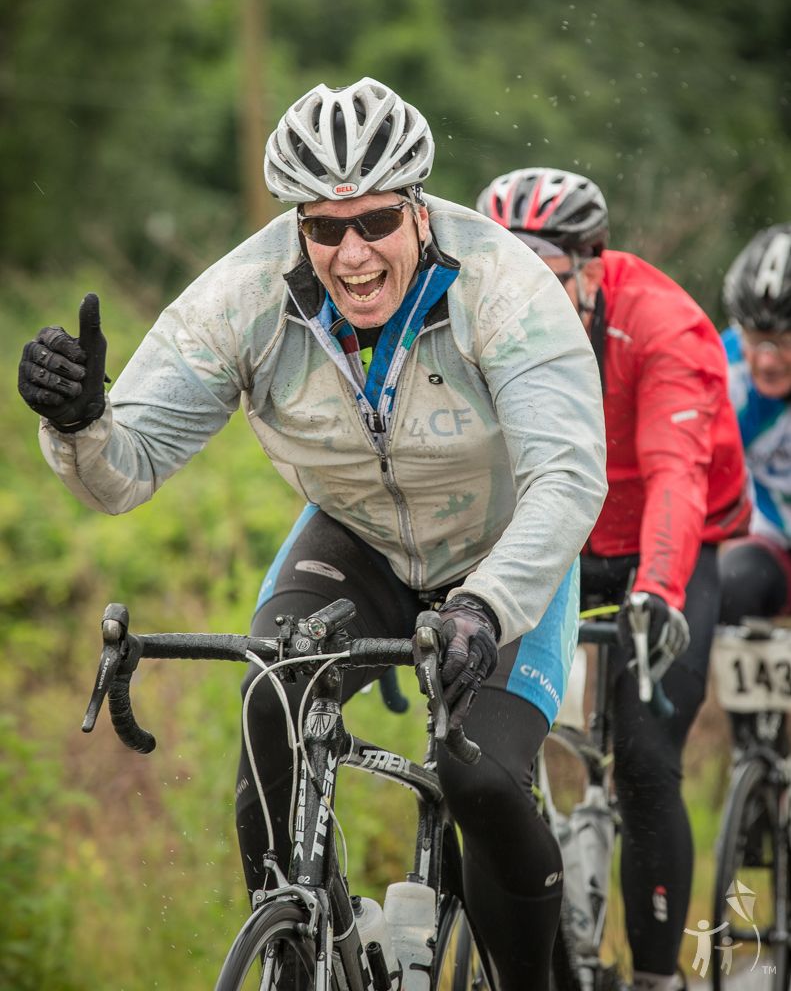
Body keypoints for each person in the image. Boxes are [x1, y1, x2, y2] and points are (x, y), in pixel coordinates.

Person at [18, 79, 607, 990]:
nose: (352, 251)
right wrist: (78, 422)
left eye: (374, 221)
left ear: (418, 209)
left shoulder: (503, 286)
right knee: (272, 706)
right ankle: (299, 950)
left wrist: (485, 609)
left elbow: (567, 478)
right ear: (298, 226)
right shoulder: (245, 297)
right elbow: (123, 472)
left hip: (502, 552)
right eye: (325, 227)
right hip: (357, 536)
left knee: (481, 780)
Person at [477, 167, 750, 991]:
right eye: (506, 273)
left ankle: (656, 979)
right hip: (560, 531)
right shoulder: (485, 317)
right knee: (489, 753)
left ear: (592, 266)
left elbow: (675, 475)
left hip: (670, 539)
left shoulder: (663, 325)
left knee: (641, 752)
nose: (521, 297)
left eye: (546, 279)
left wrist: (660, 591)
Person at [717, 224, 791, 625]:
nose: (766, 360)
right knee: (732, 583)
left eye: (783, 340)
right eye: (754, 337)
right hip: (772, 541)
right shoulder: (725, 368)